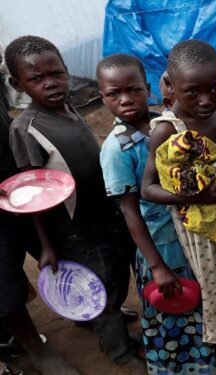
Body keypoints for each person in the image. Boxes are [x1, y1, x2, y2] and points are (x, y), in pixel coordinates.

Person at [4, 35, 141, 374]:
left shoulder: (69, 108)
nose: (51, 84)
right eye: (37, 79)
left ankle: (102, 315)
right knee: (101, 278)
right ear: (16, 83)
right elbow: (30, 195)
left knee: (116, 271)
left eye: (57, 74)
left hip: (103, 214)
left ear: (67, 71)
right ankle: (119, 351)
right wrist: (47, 245)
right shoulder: (26, 129)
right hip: (74, 228)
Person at [97, 53, 216, 375]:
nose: (126, 100)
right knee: (171, 305)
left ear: (147, 87)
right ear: (102, 97)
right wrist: (156, 265)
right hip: (159, 245)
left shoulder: (162, 125)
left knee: (198, 299)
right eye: (114, 94)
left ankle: (208, 359)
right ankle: (176, 368)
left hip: (188, 236)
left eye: (134, 90)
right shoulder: (116, 149)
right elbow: (129, 210)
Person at [140, 39, 216, 374]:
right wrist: (194, 197)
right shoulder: (167, 130)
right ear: (170, 86)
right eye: (193, 92)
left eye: (214, 88)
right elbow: (147, 188)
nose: (205, 100)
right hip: (203, 236)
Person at [0, 51, 79, 375]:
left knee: (59, 251)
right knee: (4, 283)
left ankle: (81, 308)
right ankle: (37, 349)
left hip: (22, 186)